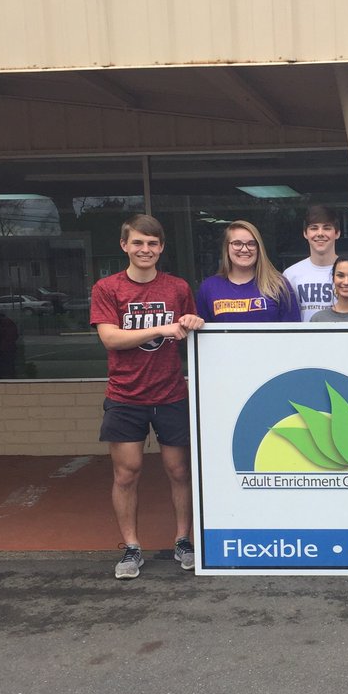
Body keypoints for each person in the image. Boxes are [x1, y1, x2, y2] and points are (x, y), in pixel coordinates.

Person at [90, 214, 204, 579]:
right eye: (138, 242)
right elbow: (110, 338)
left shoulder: (178, 287)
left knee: (179, 470)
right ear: (124, 245)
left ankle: (183, 540)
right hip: (125, 396)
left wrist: (192, 323)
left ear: (161, 248)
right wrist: (162, 328)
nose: (145, 249)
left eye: (152, 243)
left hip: (171, 393)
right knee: (127, 473)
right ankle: (131, 548)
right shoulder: (107, 288)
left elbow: (190, 329)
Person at [283, 205, 348, 321]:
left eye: (327, 228)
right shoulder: (290, 274)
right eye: (314, 228)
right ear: (305, 233)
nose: (320, 233)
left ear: (337, 233)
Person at [196, 220, 299, 323]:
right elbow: (201, 330)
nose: (244, 249)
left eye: (251, 244)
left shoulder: (278, 285)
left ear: (259, 248)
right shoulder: (209, 287)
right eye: (237, 244)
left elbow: (293, 330)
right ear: (226, 248)